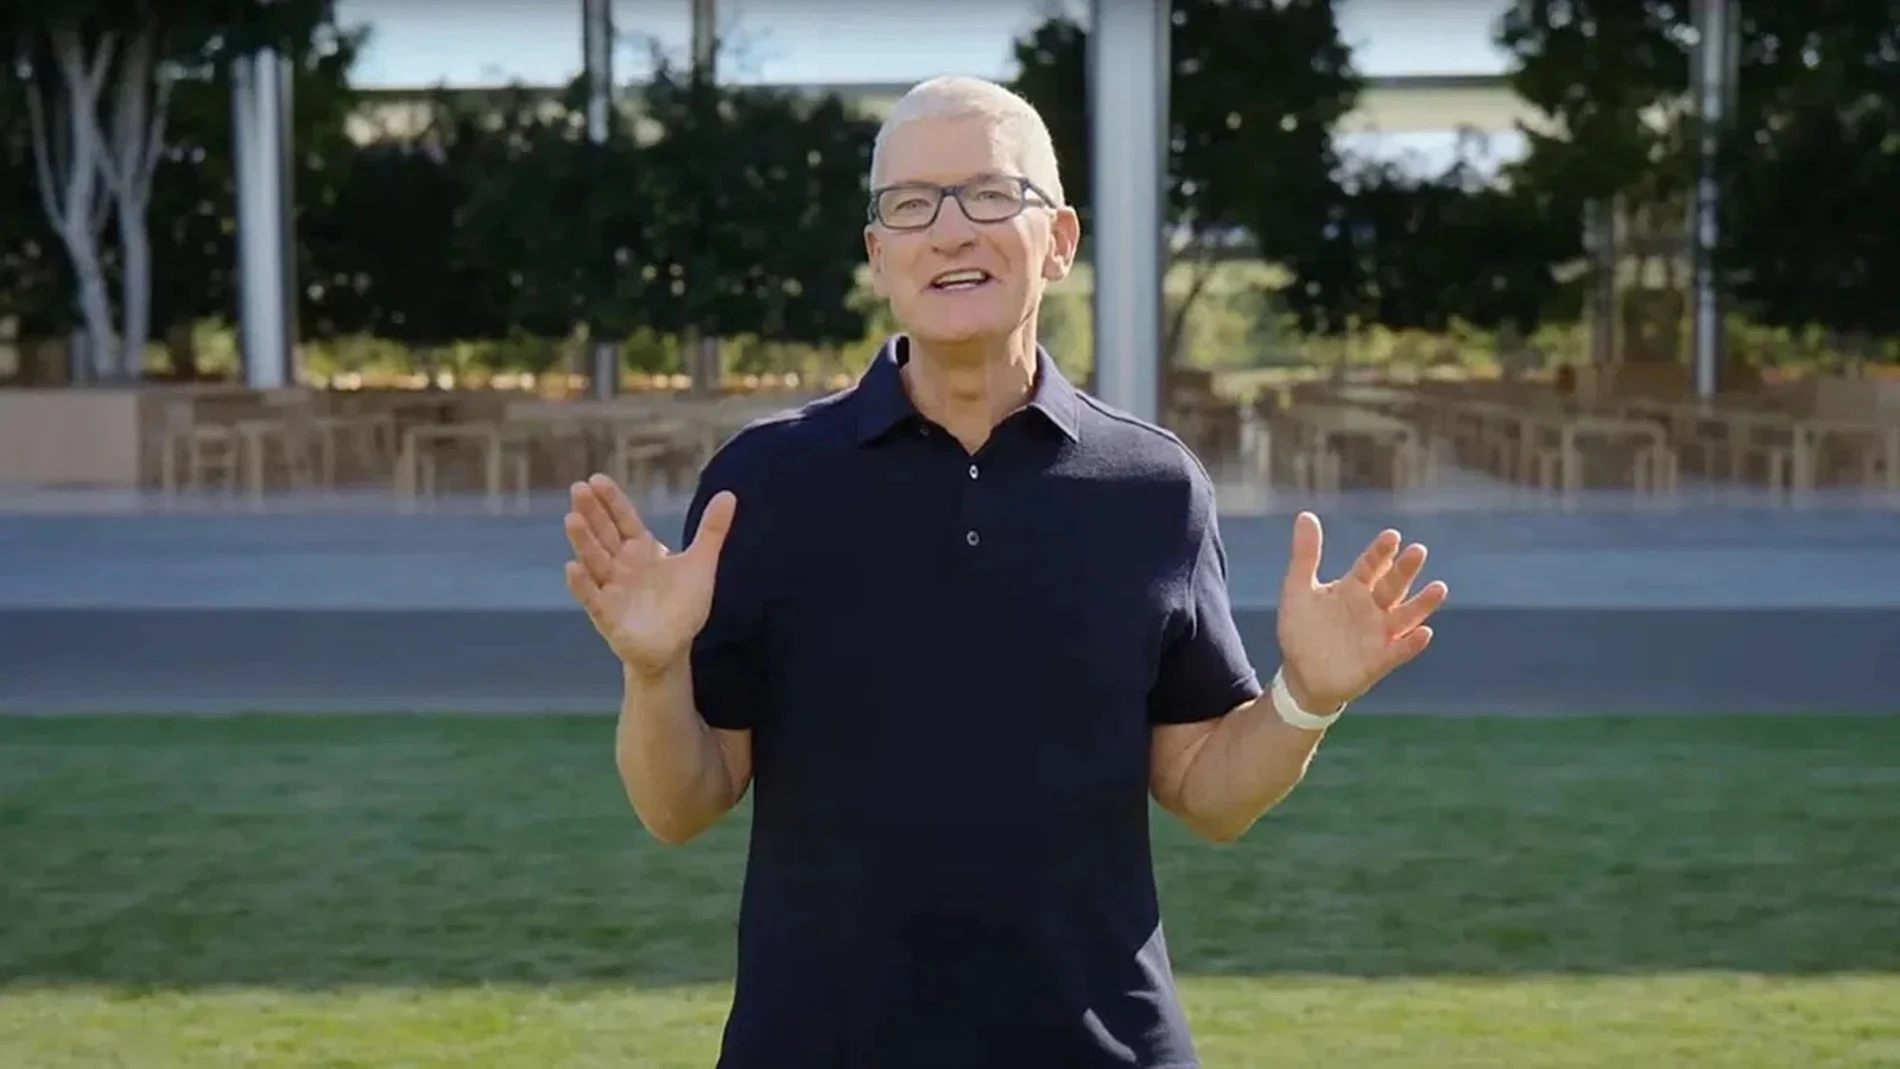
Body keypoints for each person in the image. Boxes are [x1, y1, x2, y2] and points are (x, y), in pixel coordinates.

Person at [562, 75, 1447, 1069]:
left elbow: (1206, 791)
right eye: (911, 204)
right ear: (878, 256)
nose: (950, 231)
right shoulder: (764, 485)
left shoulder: (1152, 487)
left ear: (1059, 241)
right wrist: (653, 671)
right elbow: (682, 805)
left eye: (989, 194)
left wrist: (1305, 697)